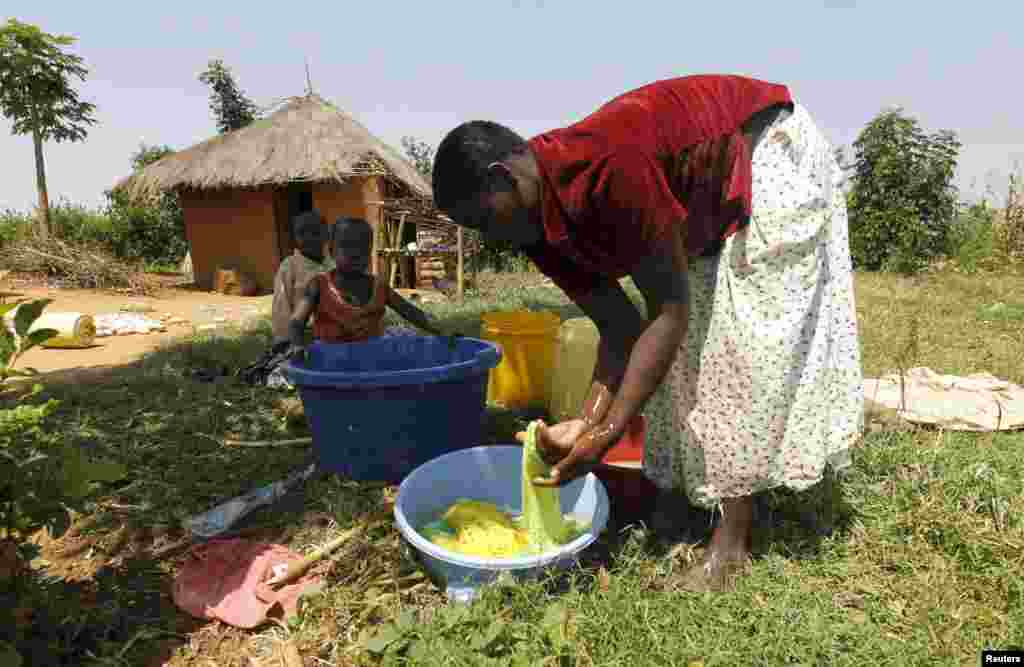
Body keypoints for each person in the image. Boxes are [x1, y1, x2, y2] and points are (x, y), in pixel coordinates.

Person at [431, 74, 864, 592]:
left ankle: (731, 544)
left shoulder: (607, 165)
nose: (486, 237)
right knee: (678, 354)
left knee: (732, 346)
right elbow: (618, 325)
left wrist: (609, 433)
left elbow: (667, 309)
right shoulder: (533, 225)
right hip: (703, 198)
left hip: (765, 146)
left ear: (504, 177)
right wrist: (585, 424)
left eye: (481, 218)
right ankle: (688, 499)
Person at [287, 217, 458, 361]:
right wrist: (297, 345)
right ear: (331, 251)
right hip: (331, 362)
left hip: (372, 360)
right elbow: (296, 323)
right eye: (347, 246)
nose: (355, 253)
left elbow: (412, 313)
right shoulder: (318, 285)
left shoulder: (379, 287)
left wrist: (441, 330)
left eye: (363, 247)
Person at [237, 210, 334, 387]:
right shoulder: (290, 266)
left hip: (334, 336)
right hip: (302, 338)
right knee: (289, 371)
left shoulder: (333, 264)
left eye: (315, 232)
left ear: (326, 234)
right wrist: (286, 342)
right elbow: (281, 308)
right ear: (295, 238)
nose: (308, 238)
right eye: (301, 233)